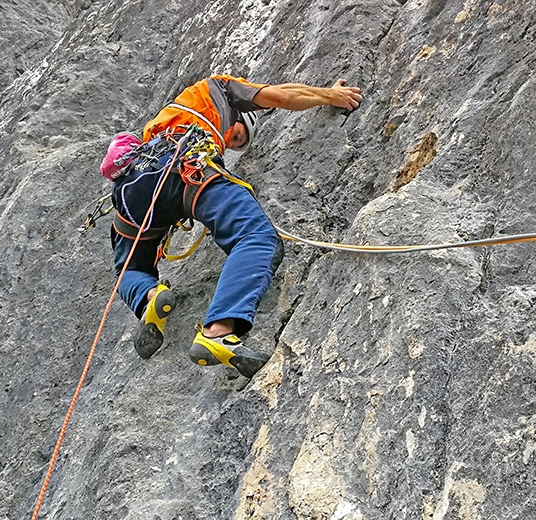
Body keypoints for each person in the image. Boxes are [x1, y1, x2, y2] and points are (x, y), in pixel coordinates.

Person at [108, 74, 361, 379]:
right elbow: (282, 96)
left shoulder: (164, 120)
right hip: (187, 167)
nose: (230, 141)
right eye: (239, 135)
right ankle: (218, 332)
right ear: (240, 114)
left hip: (134, 186)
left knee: (129, 269)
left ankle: (149, 297)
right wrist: (328, 95)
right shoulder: (218, 88)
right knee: (256, 238)